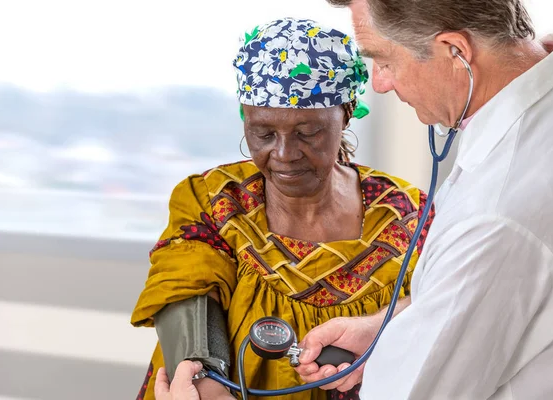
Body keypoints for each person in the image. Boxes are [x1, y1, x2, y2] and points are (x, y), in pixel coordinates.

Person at [131, 17, 435, 400]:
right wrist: (205, 382)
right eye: (263, 133)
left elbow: (447, 297)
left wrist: (384, 321)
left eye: (308, 132)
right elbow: (187, 295)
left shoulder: (407, 215)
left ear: (346, 111)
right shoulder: (214, 202)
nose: (284, 154)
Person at [292, 1, 553, 399]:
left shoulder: (496, 214)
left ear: (456, 51)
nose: (379, 84)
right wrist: (388, 327)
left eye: (383, 62)